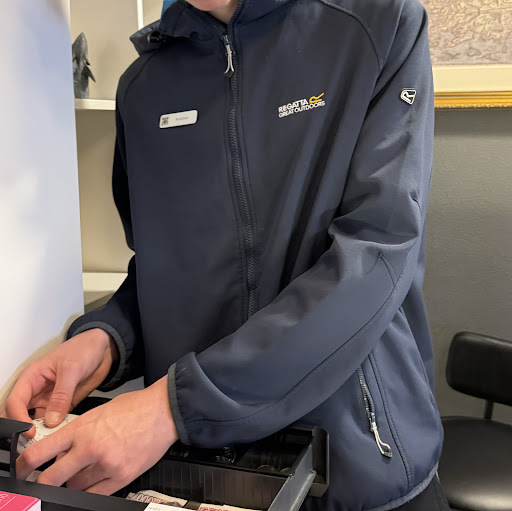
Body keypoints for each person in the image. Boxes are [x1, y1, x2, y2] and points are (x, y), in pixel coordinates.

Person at [4, 0, 451, 509]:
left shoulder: (378, 24)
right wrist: (108, 339)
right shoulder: (143, 87)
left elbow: (374, 257)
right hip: (208, 477)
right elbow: (161, 266)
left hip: (360, 467)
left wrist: (168, 407)